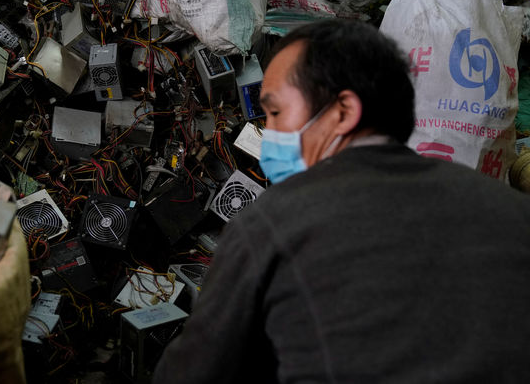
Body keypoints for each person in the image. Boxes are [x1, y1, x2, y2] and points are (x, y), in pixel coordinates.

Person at [152, 19, 530, 383]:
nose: (268, 134)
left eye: (277, 113)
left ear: (344, 112)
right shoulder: (512, 211)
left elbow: (194, 372)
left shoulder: (273, 224)